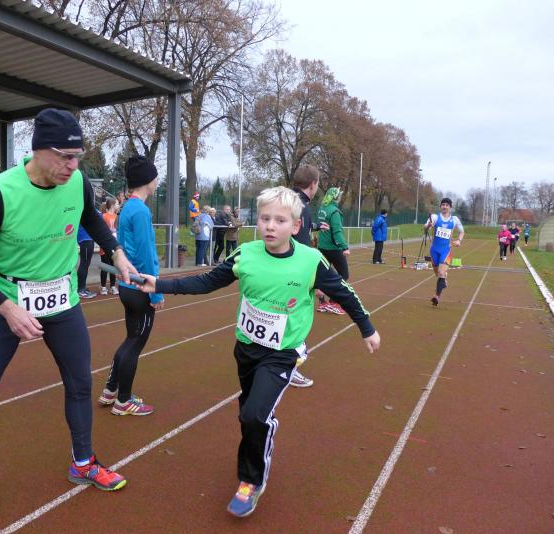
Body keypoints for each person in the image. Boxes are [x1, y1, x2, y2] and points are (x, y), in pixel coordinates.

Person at [0, 108, 135, 534]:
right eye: (65, 156)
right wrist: (6, 308)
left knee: (80, 384)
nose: (73, 166)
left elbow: (89, 216)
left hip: (62, 302)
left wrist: (115, 251)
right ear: (38, 150)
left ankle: (83, 463)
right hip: (8, 302)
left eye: (78, 157)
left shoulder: (76, 181)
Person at [135, 186, 380, 518]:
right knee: (247, 413)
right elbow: (207, 281)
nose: (270, 226)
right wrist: (160, 283)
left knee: (256, 415)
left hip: (283, 353)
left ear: (296, 226)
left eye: (280, 220)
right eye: (265, 218)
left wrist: (366, 327)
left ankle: (250, 480)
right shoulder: (246, 254)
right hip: (247, 349)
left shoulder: (310, 261)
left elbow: (345, 293)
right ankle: (258, 436)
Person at [98, 155, 164, 416]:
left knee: (130, 339)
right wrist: (156, 293)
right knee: (134, 343)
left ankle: (111, 390)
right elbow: (147, 254)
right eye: (155, 176)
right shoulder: (140, 211)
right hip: (140, 286)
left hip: (127, 285)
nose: (157, 180)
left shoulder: (127, 207)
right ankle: (123, 400)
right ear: (148, 180)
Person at [289, 163, 322, 388]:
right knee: (295, 324)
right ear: (313, 184)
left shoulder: (285, 200)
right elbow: (300, 247)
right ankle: (289, 368)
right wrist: (313, 281)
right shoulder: (302, 207)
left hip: (273, 270)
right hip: (293, 275)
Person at [423, 198, 464, 306]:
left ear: (450, 207)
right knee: (438, 274)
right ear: (440, 206)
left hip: (446, 250)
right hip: (434, 250)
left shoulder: (454, 220)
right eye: (443, 205)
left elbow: (462, 232)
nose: (445, 206)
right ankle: (443, 280)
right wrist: (428, 225)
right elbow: (425, 228)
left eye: (447, 205)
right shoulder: (435, 217)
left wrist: (459, 240)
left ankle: (436, 296)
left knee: (441, 273)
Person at [317, 187, 350, 315]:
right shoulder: (334, 211)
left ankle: (322, 302)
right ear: (335, 197)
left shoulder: (322, 208)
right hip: (333, 248)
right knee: (343, 275)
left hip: (322, 247)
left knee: (322, 275)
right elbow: (337, 231)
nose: (340, 197)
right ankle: (333, 303)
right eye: (339, 195)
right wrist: (344, 247)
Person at [99, 198, 120, 296]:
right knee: (105, 266)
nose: (118, 205)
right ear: (112, 205)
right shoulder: (104, 216)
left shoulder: (117, 217)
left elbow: (117, 230)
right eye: (117, 204)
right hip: (105, 245)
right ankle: (103, 287)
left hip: (114, 245)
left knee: (113, 266)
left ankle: (112, 286)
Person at [77, 224, 97, 299]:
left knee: (85, 265)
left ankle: (82, 288)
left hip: (88, 239)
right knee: (84, 264)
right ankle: (81, 290)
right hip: (85, 240)